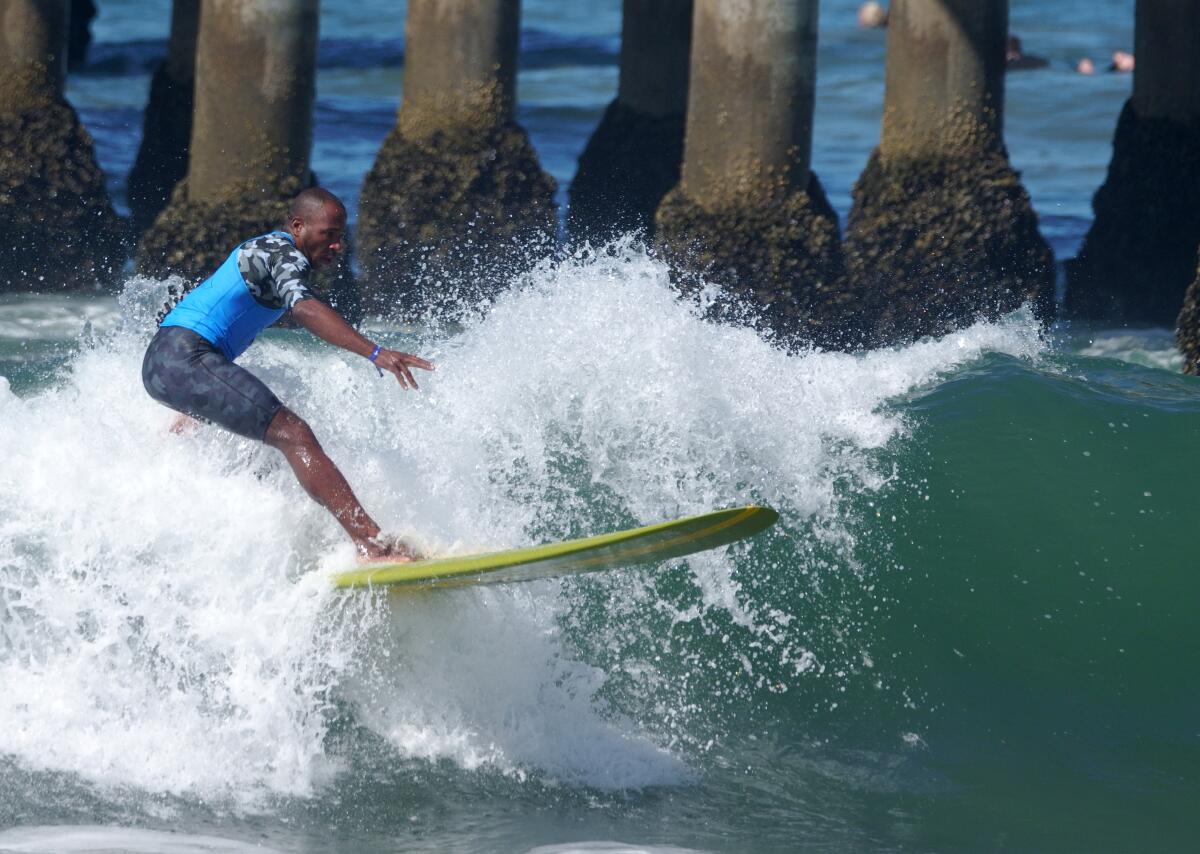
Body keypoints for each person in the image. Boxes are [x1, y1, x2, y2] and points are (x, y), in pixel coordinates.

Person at [141, 187, 434, 561]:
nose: (337, 246)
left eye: (341, 237)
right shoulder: (282, 253)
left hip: (165, 364)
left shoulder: (271, 253)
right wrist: (375, 353)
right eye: (328, 234)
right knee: (294, 435)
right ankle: (371, 544)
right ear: (298, 226)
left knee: (256, 453)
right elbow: (305, 309)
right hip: (184, 357)